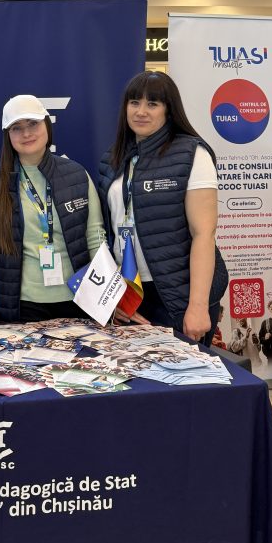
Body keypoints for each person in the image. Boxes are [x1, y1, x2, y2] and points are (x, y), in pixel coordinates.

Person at [98, 71, 228, 345]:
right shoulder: (113, 158)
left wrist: (197, 306)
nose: (141, 111)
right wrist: (111, 295)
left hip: (178, 294)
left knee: (185, 370)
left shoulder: (192, 154)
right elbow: (106, 235)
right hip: (130, 292)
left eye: (152, 104)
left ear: (169, 110)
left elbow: (204, 233)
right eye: (134, 102)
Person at [0, 95, 106, 325]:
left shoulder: (77, 175)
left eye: (33, 123)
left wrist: (105, 300)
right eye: (16, 128)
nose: (26, 133)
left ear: (47, 125)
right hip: (22, 306)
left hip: (79, 300)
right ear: (7, 135)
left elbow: (95, 239)